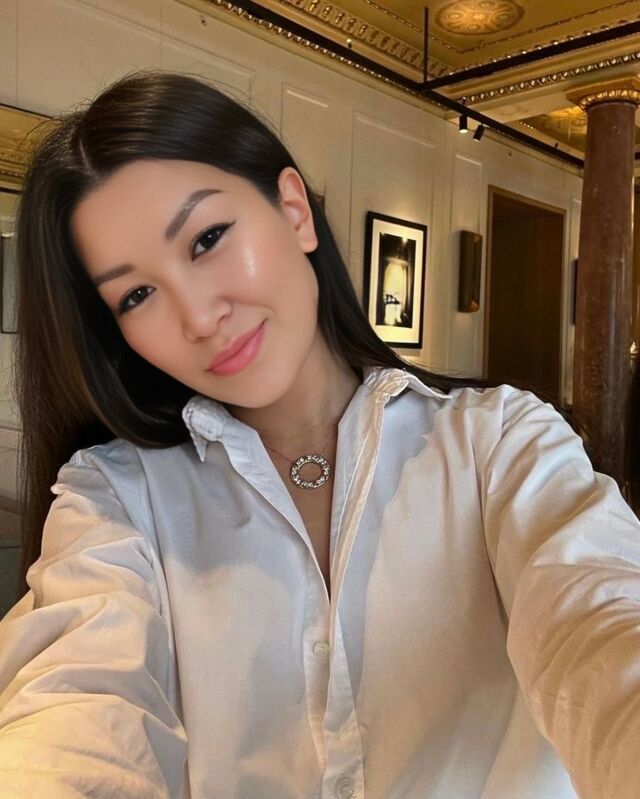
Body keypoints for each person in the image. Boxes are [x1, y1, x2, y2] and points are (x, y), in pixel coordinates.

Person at [0, 71, 639, 799]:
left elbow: (600, 615)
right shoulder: (116, 495)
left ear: (295, 211)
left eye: (207, 238)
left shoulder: (498, 443)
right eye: (137, 294)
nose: (199, 317)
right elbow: (75, 700)